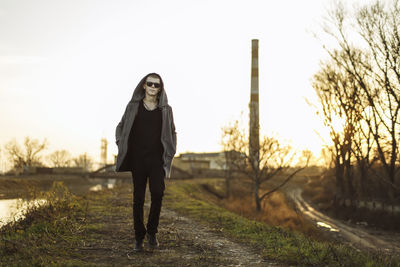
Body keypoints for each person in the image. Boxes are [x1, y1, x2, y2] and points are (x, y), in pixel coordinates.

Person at [115, 73, 177, 252]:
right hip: (137, 159)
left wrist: (171, 150)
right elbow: (120, 126)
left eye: (156, 85)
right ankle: (138, 237)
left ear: (160, 88)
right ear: (143, 85)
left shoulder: (166, 109)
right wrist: (121, 142)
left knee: (158, 193)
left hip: (157, 159)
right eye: (149, 83)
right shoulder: (133, 106)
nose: (152, 87)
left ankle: (152, 232)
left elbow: (172, 132)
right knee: (138, 198)